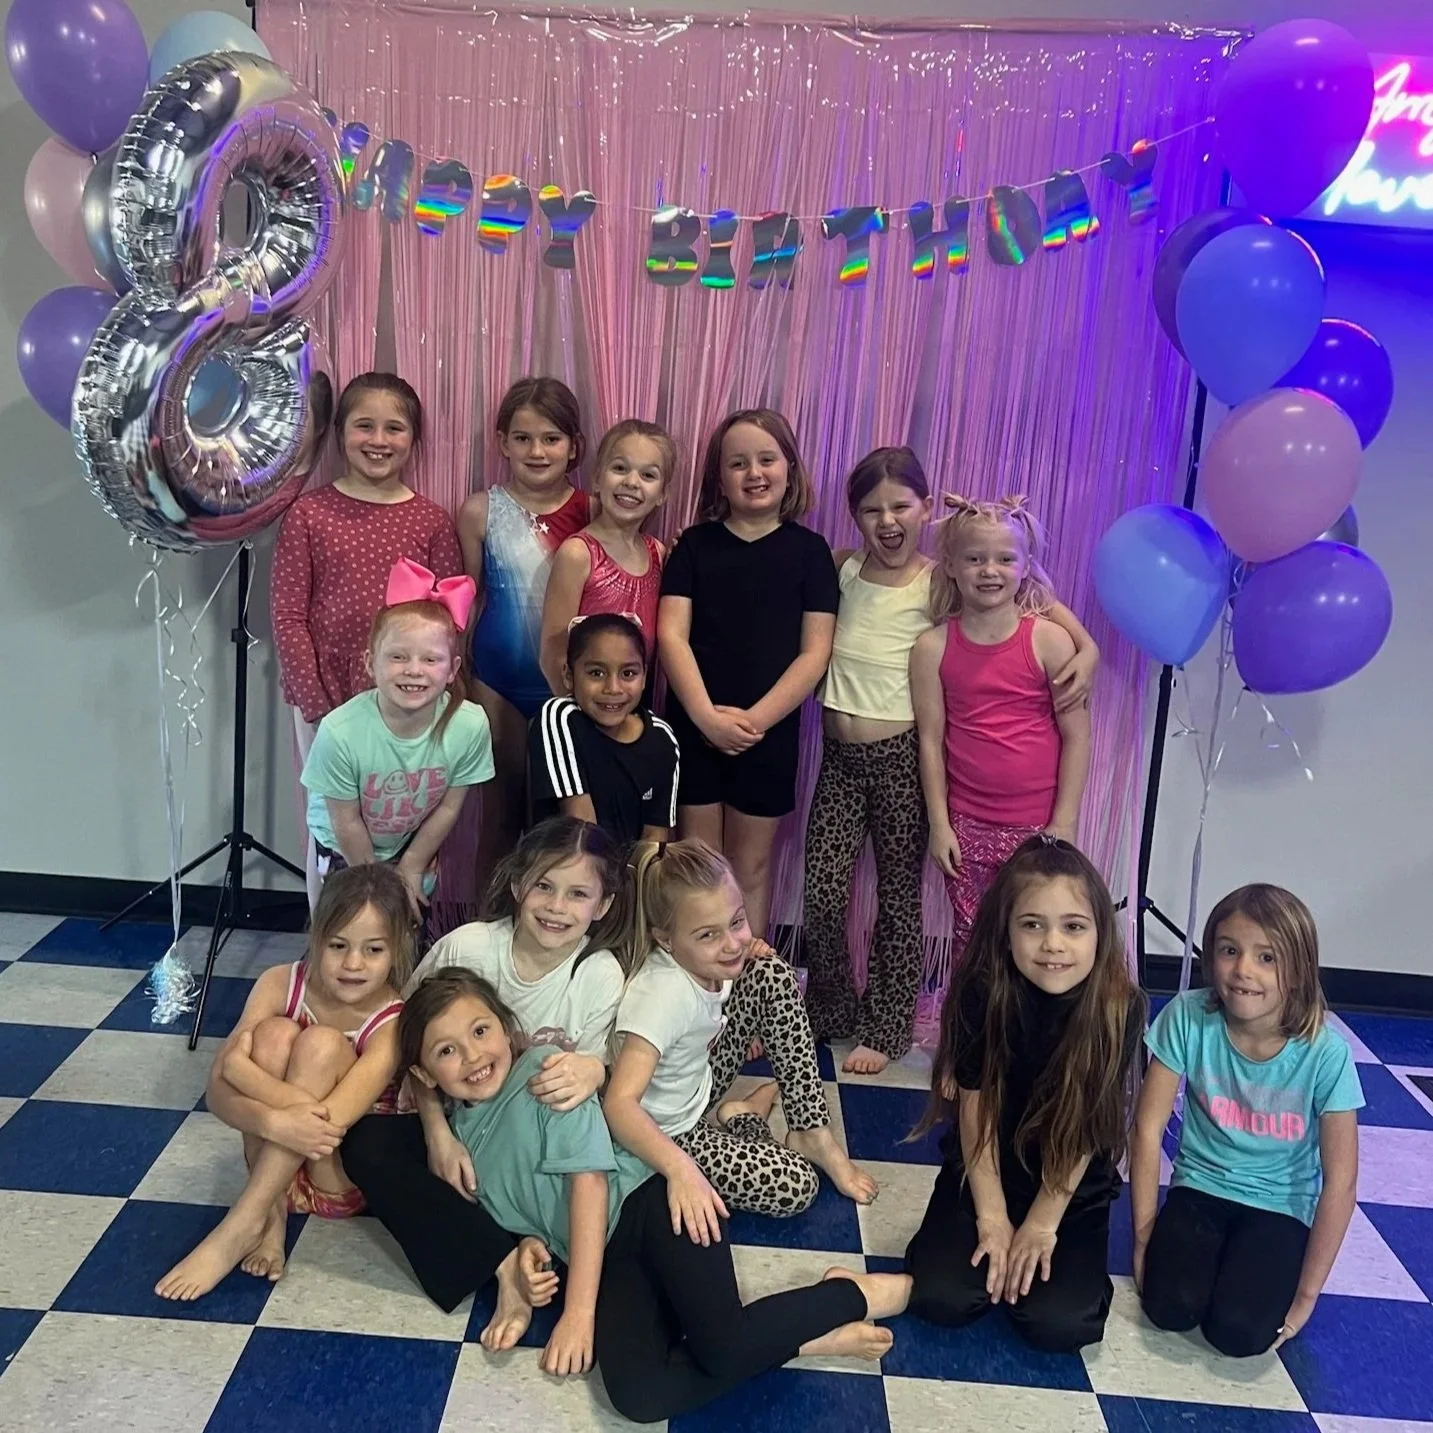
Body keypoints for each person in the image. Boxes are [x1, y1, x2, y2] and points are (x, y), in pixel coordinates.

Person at [400, 968, 910, 1421]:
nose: (472, 1055)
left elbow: (589, 1181)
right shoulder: (458, 1145)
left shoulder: (545, 1072)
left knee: (723, 1347)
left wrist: (580, 1314)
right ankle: (801, 1339)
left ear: (506, 1028)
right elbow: (524, 1200)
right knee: (639, 1397)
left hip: (656, 1207)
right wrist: (529, 1245)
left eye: (481, 1031)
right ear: (425, 1075)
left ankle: (851, 1294)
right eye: (446, 1050)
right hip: (607, 1255)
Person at [806, 460, 1100, 1072]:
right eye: (871, 509)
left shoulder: (950, 574)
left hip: (906, 764)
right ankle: (835, 1013)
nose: (887, 521)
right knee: (827, 890)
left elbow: (1045, 605)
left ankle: (900, 1028)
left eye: (901, 507)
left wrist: (1091, 649)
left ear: (924, 509)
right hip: (846, 758)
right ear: (854, 515)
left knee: (908, 900)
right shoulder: (843, 568)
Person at [337, 816, 629, 1339]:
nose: (556, 907)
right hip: (455, 1121)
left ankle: (528, 1241)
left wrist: (595, 1066)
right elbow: (412, 1044)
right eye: (543, 886)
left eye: (577, 893)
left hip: (526, 1145)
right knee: (366, 1146)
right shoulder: (468, 947)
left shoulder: (598, 974)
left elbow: (586, 1097)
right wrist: (436, 1133)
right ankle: (503, 1264)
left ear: (602, 906)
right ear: (518, 884)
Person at [903, 836, 1144, 1353]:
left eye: (1073, 927)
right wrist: (991, 1216)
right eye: (1032, 925)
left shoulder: (1119, 1008)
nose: (1052, 944)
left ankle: (1063, 1260)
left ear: (1100, 934)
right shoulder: (982, 991)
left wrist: (1040, 1225)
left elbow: (1085, 1130)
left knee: (1059, 1325)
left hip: (1068, 1183)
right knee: (941, 1298)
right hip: (985, 1164)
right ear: (1006, 932)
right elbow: (975, 1111)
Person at [154, 864, 415, 1301]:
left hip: (335, 1172)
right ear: (315, 937)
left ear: (397, 949)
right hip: (279, 1166)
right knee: (273, 1036)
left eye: (373, 950)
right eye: (338, 945)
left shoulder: (393, 1021)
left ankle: (240, 1224)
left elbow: (327, 1123)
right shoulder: (279, 982)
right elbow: (217, 1093)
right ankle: (269, 1215)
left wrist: (250, 1082)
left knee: (322, 1046)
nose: (353, 964)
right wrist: (272, 1117)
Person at [1132, 885, 1363, 1357]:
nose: (1243, 971)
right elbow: (1147, 1128)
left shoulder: (1327, 1053)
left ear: (1299, 970)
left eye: (1267, 958)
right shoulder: (1188, 1017)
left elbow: (1341, 1182)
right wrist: (1142, 1239)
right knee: (1168, 1307)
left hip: (1280, 1204)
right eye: (1229, 951)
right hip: (1200, 1187)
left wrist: (1306, 1294)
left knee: (1241, 1334)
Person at [604, 839, 877, 1227]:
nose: (732, 943)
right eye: (708, 935)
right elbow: (618, 1105)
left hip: (698, 1085)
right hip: (670, 1131)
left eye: (736, 922)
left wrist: (744, 948)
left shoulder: (712, 961)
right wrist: (679, 1168)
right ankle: (744, 1117)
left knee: (771, 974)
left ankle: (811, 1132)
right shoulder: (661, 997)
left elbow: (742, 966)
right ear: (666, 940)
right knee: (796, 1186)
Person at [271, 373, 462, 907]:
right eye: (364, 426)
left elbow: (450, 620)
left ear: (414, 439)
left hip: (411, 700)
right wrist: (316, 704)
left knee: (404, 809)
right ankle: (330, 931)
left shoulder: (431, 520)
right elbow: (288, 616)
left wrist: (442, 696)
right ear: (340, 434)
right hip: (328, 693)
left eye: (394, 428)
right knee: (335, 821)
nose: (379, 440)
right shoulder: (308, 515)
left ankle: (399, 933)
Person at [658, 409, 838, 939]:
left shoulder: (811, 553)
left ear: (790, 468)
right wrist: (707, 719)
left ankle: (746, 997)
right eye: (738, 463)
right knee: (698, 870)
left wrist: (753, 722)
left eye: (766, 459)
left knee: (750, 870)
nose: (754, 472)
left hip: (770, 733)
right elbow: (672, 635)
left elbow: (815, 654)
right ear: (720, 477)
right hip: (695, 727)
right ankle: (698, 998)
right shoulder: (694, 546)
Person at [910, 494, 1092, 965]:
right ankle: (974, 1035)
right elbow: (930, 740)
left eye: (1004, 559)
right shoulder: (931, 648)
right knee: (972, 940)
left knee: (1033, 942)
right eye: (975, 559)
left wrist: (1064, 823)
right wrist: (940, 824)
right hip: (966, 825)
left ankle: (1029, 1036)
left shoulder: (1048, 641)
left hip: (1037, 826)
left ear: (1025, 565)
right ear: (950, 565)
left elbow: (1077, 736)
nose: (989, 570)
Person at [300, 558, 492, 919]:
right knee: (356, 926)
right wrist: (376, 882)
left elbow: (450, 806)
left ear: (452, 669)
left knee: (406, 929)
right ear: (371, 663)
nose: (414, 670)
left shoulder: (470, 726)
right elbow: (346, 821)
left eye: (430, 659)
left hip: (411, 843)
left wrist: (412, 866)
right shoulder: (340, 731)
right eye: (398, 657)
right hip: (346, 847)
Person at [459, 377, 591, 883]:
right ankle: (483, 937)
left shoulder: (592, 510)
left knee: (561, 822)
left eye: (551, 439)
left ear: (574, 446)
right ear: (502, 441)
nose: (537, 451)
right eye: (523, 438)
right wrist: (456, 673)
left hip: (567, 685)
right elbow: (467, 598)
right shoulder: (479, 511)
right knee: (499, 816)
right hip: (497, 682)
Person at [538, 418, 674, 688]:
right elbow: (552, 654)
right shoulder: (579, 554)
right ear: (598, 478)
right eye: (620, 468)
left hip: (632, 709)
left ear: (662, 494)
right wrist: (576, 719)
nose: (632, 482)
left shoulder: (658, 553)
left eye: (648, 475)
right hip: (583, 712)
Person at [530, 614, 681, 844]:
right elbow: (582, 830)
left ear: (644, 677)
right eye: (596, 673)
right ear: (569, 676)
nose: (613, 688)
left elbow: (654, 840)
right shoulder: (561, 717)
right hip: (570, 871)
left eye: (628, 673)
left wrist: (637, 878)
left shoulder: (663, 739)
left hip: (629, 875)